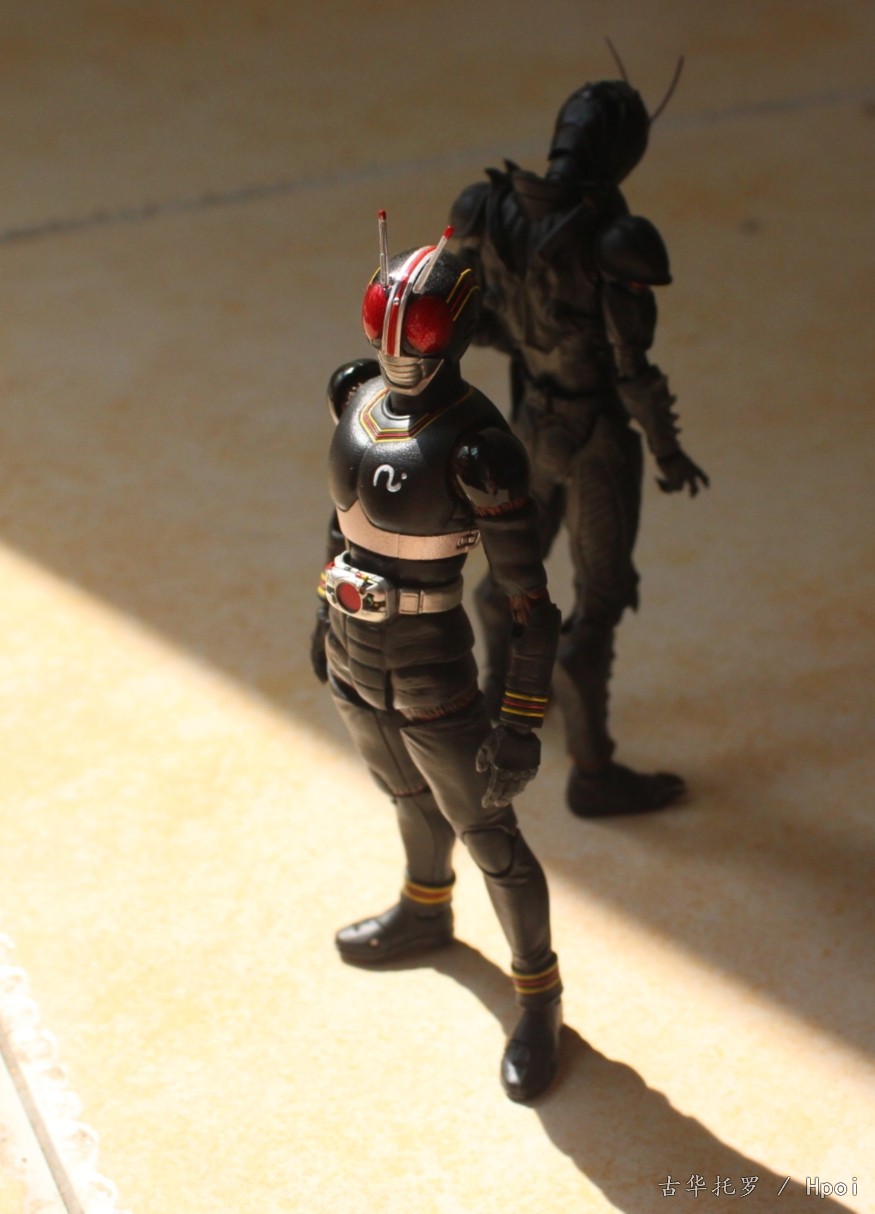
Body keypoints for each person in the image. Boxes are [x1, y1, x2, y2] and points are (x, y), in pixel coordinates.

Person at [310, 213, 563, 1101]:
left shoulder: (478, 448)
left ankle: (539, 999)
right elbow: (341, 521)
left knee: (490, 836)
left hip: (430, 668)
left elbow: (530, 608)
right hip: (351, 648)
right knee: (404, 795)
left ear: (451, 332)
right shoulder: (354, 395)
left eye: (412, 327)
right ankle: (424, 909)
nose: (393, 345)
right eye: (380, 318)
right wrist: (322, 619)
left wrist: (520, 722)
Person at [449, 72, 709, 818]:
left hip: (529, 427)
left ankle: (501, 698)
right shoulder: (613, 239)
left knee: (508, 577)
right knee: (597, 604)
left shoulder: (489, 207)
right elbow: (633, 371)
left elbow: (473, 320)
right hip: (595, 438)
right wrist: (667, 452)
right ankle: (592, 775)